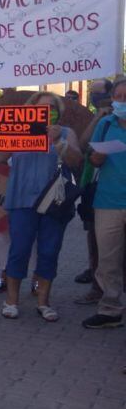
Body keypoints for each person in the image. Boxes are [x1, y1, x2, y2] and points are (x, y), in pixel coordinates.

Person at [0, 92, 82, 321]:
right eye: (41, 108)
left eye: (51, 108)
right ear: (29, 111)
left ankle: (44, 302)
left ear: (58, 113)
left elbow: (76, 161)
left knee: (49, 251)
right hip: (21, 200)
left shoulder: (66, 132)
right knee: (19, 249)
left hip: (54, 203)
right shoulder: (18, 132)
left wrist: (58, 141)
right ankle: (11, 301)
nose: (46, 111)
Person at [82, 79, 126, 329]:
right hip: (108, 201)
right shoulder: (106, 124)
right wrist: (97, 157)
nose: (121, 101)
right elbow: (92, 157)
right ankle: (110, 310)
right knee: (108, 259)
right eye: (117, 96)